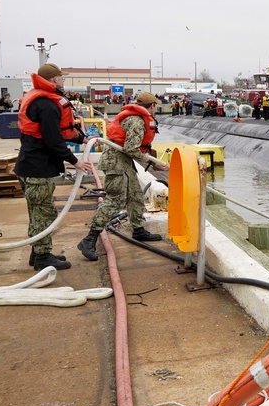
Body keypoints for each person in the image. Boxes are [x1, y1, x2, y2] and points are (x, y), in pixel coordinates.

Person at [15, 63, 92, 271]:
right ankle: (42, 257)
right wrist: (74, 161)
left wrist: (83, 139)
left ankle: (37, 252)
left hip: (28, 166)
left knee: (37, 212)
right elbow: (53, 139)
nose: (63, 81)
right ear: (55, 79)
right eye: (61, 78)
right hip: (38, 169)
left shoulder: (38, 99)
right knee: (45, 213)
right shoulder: (47, 104)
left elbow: (61, 131)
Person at [77, 92, 168, 261]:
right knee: (115, 200)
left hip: (124, 162)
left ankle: (138, 230)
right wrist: (148, 159)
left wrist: (155, 162)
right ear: (153, 106)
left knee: (135, 195)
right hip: (116, 163)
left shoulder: (137, 118)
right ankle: (89, 239)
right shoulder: (137, 121)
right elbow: (131, 148)